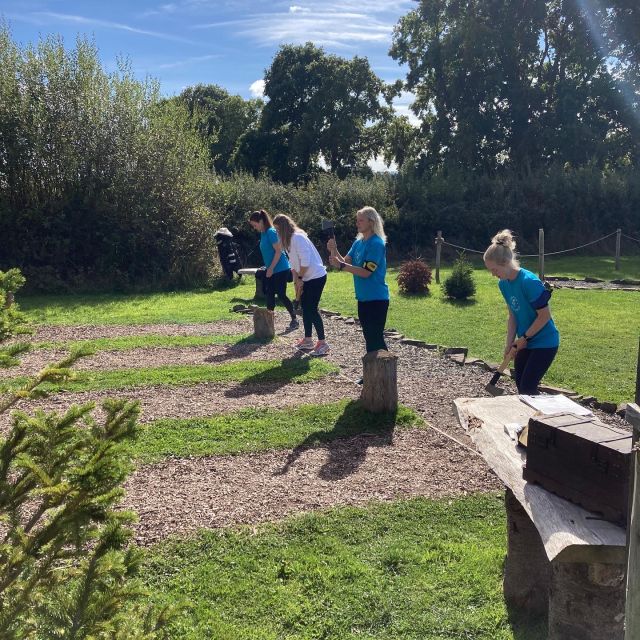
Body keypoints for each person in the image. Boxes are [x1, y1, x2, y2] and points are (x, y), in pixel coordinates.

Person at [483, 229, 560, 395]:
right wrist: (509, 343)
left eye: (494, 270)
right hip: (524, 342)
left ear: (505, 263)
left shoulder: (529, 282)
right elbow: (513, 316)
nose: (492, 274)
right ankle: (533, 418)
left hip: (545, 342)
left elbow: (545, 316)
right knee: (521, 384)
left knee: (528, 387)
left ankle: (544, 419)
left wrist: (525, 338)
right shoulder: (503, 284)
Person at [327, 206, 390, 354]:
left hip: (377, 299)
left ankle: (384, 374)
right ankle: (372, 375)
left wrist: (341, 265)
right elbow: (346, 261)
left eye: (361, 220)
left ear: (371, 222)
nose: (357, 223)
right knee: (369, 338)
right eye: (357, 220)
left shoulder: (376, 244)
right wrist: (334, 249)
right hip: (363, 299)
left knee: (376, 339)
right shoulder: (358, 243)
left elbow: (366, 272)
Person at [273, 214, 329, 356]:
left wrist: (300, 277)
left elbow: (305, 261)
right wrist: (295, 279)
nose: (277, 233)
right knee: (305, 308)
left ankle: (323, 343)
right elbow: (293, 262)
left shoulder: (298, 238)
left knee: (311, 309)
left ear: (284, 228)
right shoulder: (287, 241)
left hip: (316, 277)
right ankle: (308, 339)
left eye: (278, 230)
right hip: (304, 277)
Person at [249, 209, 298, 329]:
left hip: (281, 268)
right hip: (271, 268)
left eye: (255, 225)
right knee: (270, 294)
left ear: (261, 221)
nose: (255, 228)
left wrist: (270, 268)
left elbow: (278, 251)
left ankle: (294, 319)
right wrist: (268, 267)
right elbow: (268, 252)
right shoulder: (263, 233)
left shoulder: (271, 232)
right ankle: (268, 322)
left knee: (281, 294)